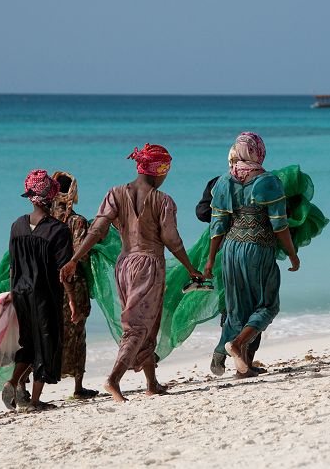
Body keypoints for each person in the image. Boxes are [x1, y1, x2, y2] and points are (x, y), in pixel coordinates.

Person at [60, 144, 203, 402]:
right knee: (138, 327)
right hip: (149, 265)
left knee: (147, 323)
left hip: (124, 265)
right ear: (159, 170)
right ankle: (113, 379)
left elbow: (97, 230)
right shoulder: (163, 201)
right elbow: (172, 239)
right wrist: (191, 268)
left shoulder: (115, 194)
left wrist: (74, 259)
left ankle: (152, 383)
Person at [203, 132, 300, 376]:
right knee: (267, 305)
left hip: (231, 249)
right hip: (258, 248)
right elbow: (280, 225)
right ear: (258, 151)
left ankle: (229, 358)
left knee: (237, 308)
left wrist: (211, 259)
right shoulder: (268, 182)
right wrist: (292, 254)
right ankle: (235, 345)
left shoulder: (224, 182)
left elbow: (217, 226)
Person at [2, 170, 79, 412]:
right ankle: (34, 401)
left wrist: (13, 294)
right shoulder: (58, 230)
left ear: (30, 197)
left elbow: (13, 265)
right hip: (45, 295)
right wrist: (72, 299)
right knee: (47, 344)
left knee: (27, 343)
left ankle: (12, 381)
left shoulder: (17, 226)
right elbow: (64, 272)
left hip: (20, 293)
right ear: (53, 198)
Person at [197, 176, 264, 377]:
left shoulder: (218, 183)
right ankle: (242, 361)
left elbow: (201, 212)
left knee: (232, 306)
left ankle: (230, 357)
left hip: (225, 251)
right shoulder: (262, 182)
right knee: (257, 305)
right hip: (254, 250)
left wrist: (221, 213)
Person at [50, 171, 99, 400]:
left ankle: (31, 383)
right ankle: (78, 386)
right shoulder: (77, 221)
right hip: (74, 283)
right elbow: (81, 255)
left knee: (48, 331)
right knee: (77, 332)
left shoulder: (43, 220)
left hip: (48, 283)